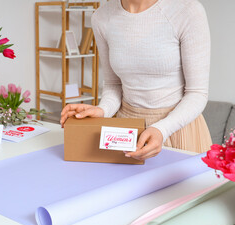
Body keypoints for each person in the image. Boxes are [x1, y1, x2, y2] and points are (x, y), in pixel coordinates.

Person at [60, 0, 212, 161]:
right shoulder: (101, 17)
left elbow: (197, 93)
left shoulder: (187, 11)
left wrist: (161, 129)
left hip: (177, 130)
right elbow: (114, 84)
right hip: (127, 129)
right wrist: (103, 110)